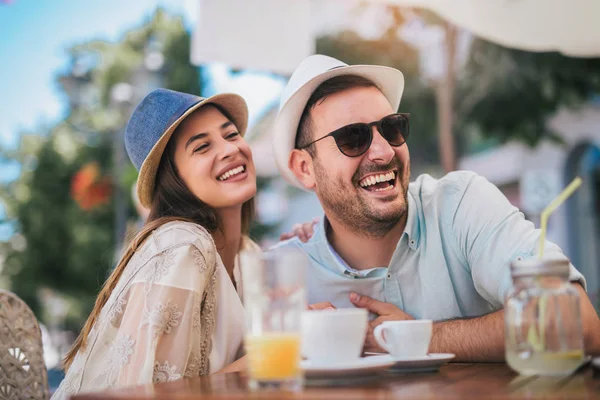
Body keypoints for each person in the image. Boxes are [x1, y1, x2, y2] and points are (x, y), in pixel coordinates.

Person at [271, 55, 600, 360]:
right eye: (353, 138)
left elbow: (575, 321)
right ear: (304, 168)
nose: (384, 151)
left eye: (391, 128)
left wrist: (409, 338)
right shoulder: (280, 276)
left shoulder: (461, 205)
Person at [52, 89, 313, 399]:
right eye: (202, 147)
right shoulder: (182, 244)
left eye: (231, 135)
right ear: (173, 179)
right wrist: (285, 349)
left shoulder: (249, 253)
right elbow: (155, 394)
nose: (229, 150)